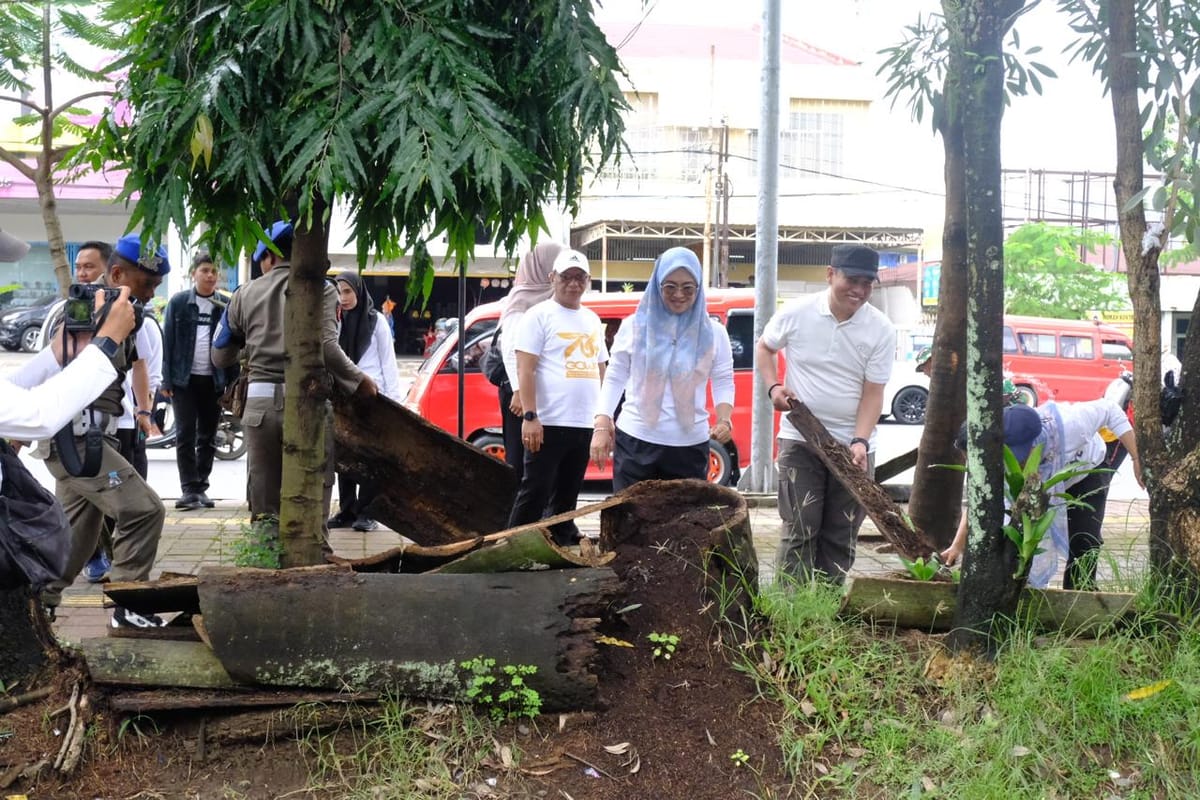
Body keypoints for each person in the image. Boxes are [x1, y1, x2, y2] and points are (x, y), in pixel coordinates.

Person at [33, 235, 170, 627]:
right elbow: (52, 369)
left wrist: (144, 411)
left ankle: (33, 610)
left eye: (155, 286)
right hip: (76, 441)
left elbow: (138, 366)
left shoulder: (124, 314)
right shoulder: (88, 313)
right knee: (143, 510)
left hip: (91, 439)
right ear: (116, 274)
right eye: (146, 284)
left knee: (75, 540)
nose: (150, 294)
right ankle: (127, 606)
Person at [212, 221, 376, 544]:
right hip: (307, 404)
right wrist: (360, 381)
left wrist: (250, 341)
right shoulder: (324, 291)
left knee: (265, 502)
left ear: (269, 257)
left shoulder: (245, 293)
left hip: (259, 407)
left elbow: (220, 357)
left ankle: (266, 563)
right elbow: (328, 348)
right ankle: (316, 564)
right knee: (313, 494)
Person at [754, 244, 897, 584]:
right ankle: (791, 607)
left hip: (853, 448)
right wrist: (774, 387)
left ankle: (826, 609)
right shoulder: (797, 313)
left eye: (868, 283)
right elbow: (765, 347)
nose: (860, 291)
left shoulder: (881, 329)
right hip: (800, 439)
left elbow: (873, 393)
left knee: (841, 532)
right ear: (830, 274)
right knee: (800, 527)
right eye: (852, 280)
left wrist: (860, 440)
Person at [940, 400, 1143, 589]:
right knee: (1023, 539)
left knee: (1084, 540)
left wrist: (1136, 457)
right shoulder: (994, 456)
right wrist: (957, 546)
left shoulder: (1071, 423)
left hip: (1085, 474)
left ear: (1034, 443)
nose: (1017, 463)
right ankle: (1030, 594)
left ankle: (1081, 596)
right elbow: (980, 499)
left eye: (1020, 455)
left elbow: (1111, 409)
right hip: (1040, 484)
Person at [590, 247, 734, 490]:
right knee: (629, 520)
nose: (679, 294)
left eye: (688, 288)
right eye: (670, 286)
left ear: (698, 290)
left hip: (690, 445)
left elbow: (722, 379)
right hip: (636, 441)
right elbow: (615, 377)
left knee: (684, 522)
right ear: (657, 285)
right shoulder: (634, 327)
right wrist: (602, 425)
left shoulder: (714, 333)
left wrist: (724, 419)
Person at [506, 249, 608, 546]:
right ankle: (514, 544)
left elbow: (601, 367)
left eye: (580, 278)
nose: (573, 284)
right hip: (547, 421)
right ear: (553, 278)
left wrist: (603, 417)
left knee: (568, 489)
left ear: (588, 281)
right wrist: (530, 415)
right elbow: (525, 369)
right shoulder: (537, 316)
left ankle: (561, 539)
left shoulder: (591, 318)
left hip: (583, 421)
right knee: (535, 489)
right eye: (566, 277)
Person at [328, 270, 401, 532]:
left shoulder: (377, 321)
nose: (343, 297)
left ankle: (367, 512)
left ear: (359, 291)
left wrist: (394, 403)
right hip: (345, 396)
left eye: (348, 291)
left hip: (373, 396)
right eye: (339, 292)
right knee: (345, 454)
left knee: (371, 455)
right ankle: (347, 509)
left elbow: (388, 362)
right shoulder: (334, 321)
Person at [161, 252, 235, 511]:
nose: (210, 275)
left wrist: (232, 384)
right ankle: (188, 489)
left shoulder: (224, 305)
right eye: (205, 270)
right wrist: (166, 379)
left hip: (214, 381)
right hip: (184, 380)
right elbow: (167, 342)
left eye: (214, 271)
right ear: (194, 273)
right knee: (185, 434)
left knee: (208, 435)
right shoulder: (179, 303)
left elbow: (234, 345)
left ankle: (201, 486)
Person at [497, 242, 561, 483]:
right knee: (521, 458)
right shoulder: (522, 301)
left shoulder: (553, 300)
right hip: (520, 394)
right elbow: (510, 349)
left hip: (537, 391)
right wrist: (518, 391)